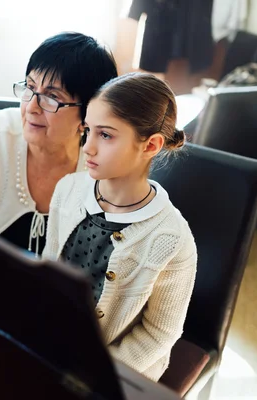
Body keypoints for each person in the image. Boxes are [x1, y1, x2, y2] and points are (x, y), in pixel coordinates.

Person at [42, 72, 197, 381]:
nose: (88, 147)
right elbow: (47, 267)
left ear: (151, 145)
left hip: (115, 373)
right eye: (88, 130)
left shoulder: (172, 239)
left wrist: (95, 371)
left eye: (106, 135)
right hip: (55, 346)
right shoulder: (69, 190)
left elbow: (159, 334)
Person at [0, 32, 118, 256]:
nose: (31, 107)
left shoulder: (103, 166)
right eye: (30, 87)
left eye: (52, 97)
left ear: (87, 116)